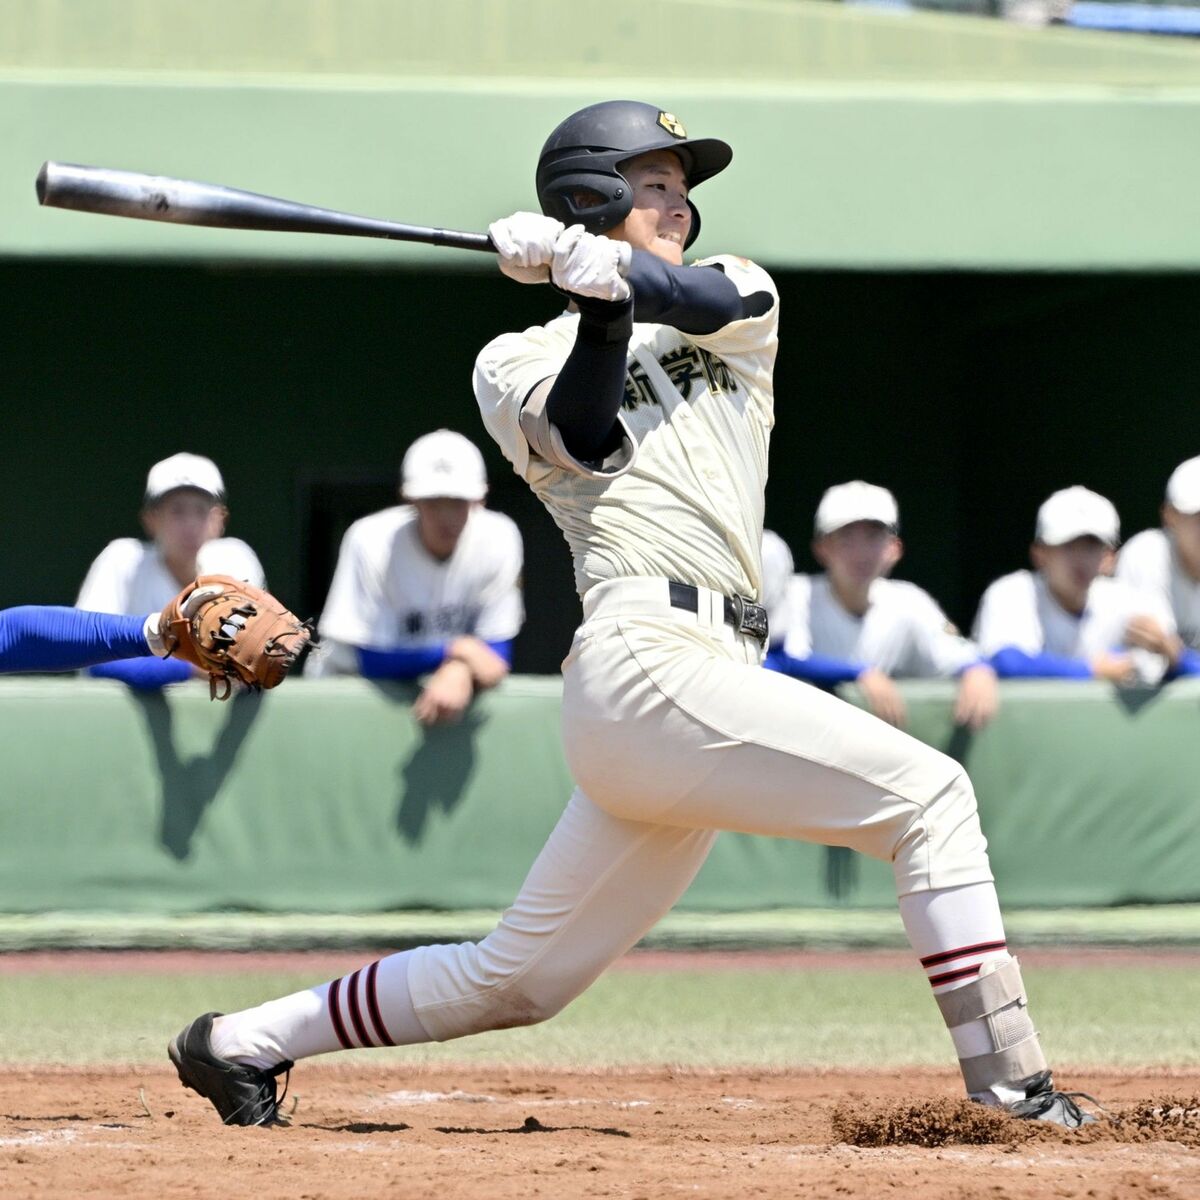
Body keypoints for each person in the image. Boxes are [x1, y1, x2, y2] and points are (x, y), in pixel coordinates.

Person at [168, 100, 1094, 1130]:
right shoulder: (509, 363)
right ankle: (1013, 1089)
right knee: (933, 798)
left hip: (713, 674)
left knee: (518, 981)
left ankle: (236, 1041)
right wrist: (596, 307)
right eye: (654, 184)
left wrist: (609, 275)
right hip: (644, 658)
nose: (681, 205)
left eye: (683, 186)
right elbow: (583, 431)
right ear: (591, 193)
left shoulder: (743, 296)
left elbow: (690, 294)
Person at [307, 429, 524, 726]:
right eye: (434, 501)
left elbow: (495, 657)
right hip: (346, 694)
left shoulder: (499, 538)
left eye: (458, 501)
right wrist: (457, 653)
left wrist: (460, 667)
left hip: (445, 691)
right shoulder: (371, 540)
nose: (447, 516)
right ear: (410, 499)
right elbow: (368, 657)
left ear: (480, 499)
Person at [765, 482, 998, 731]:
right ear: (822, 549)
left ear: (894, 549)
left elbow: (962, 657)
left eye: (873, 537)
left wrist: (977, 670)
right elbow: (780, 661)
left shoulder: (910, 600)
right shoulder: (795, 593)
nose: (861, 552)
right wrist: (858, 673)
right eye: (846, 538)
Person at [75, 453, 265, 689]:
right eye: (177, 510)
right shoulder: (123, 560)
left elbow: (252, 660)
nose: (190, 524)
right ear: (151, 519)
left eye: (201, 510)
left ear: (219, 519)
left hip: (210, 717)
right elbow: (91, 655)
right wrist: (191, 668)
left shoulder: (236, 561)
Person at [973, 485, 1172, 684]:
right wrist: (1089, 670)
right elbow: (1006, 662)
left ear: (1108, 558)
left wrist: (1174, 654)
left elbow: (1156, 667)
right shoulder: (1012, 593)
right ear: (1039, 554)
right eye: (1067, 545)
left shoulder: (1129, 603)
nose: (1080, 559)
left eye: (1091, 545)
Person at [1114, 455, 1200, 677]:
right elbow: (1149, 667)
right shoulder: (1146, 555)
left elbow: (1172, 655)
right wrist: (1173, 656)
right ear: (1169, 516)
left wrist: (1179, 657)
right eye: (1198, 516)